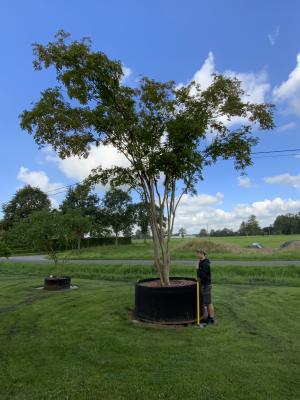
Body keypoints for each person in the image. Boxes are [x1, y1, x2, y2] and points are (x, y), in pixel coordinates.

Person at [196, 249, 215, 324]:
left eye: (198, 253)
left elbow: (202, 275)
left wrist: (197, 268)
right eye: (196, 253)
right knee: (205, 302)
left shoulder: (205, 263)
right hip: (203, 284)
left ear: (202, 254)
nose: (197, 255)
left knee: (208, 302)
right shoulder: (201, 262)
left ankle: (211, 318)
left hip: (206, 285)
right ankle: (208, 317)